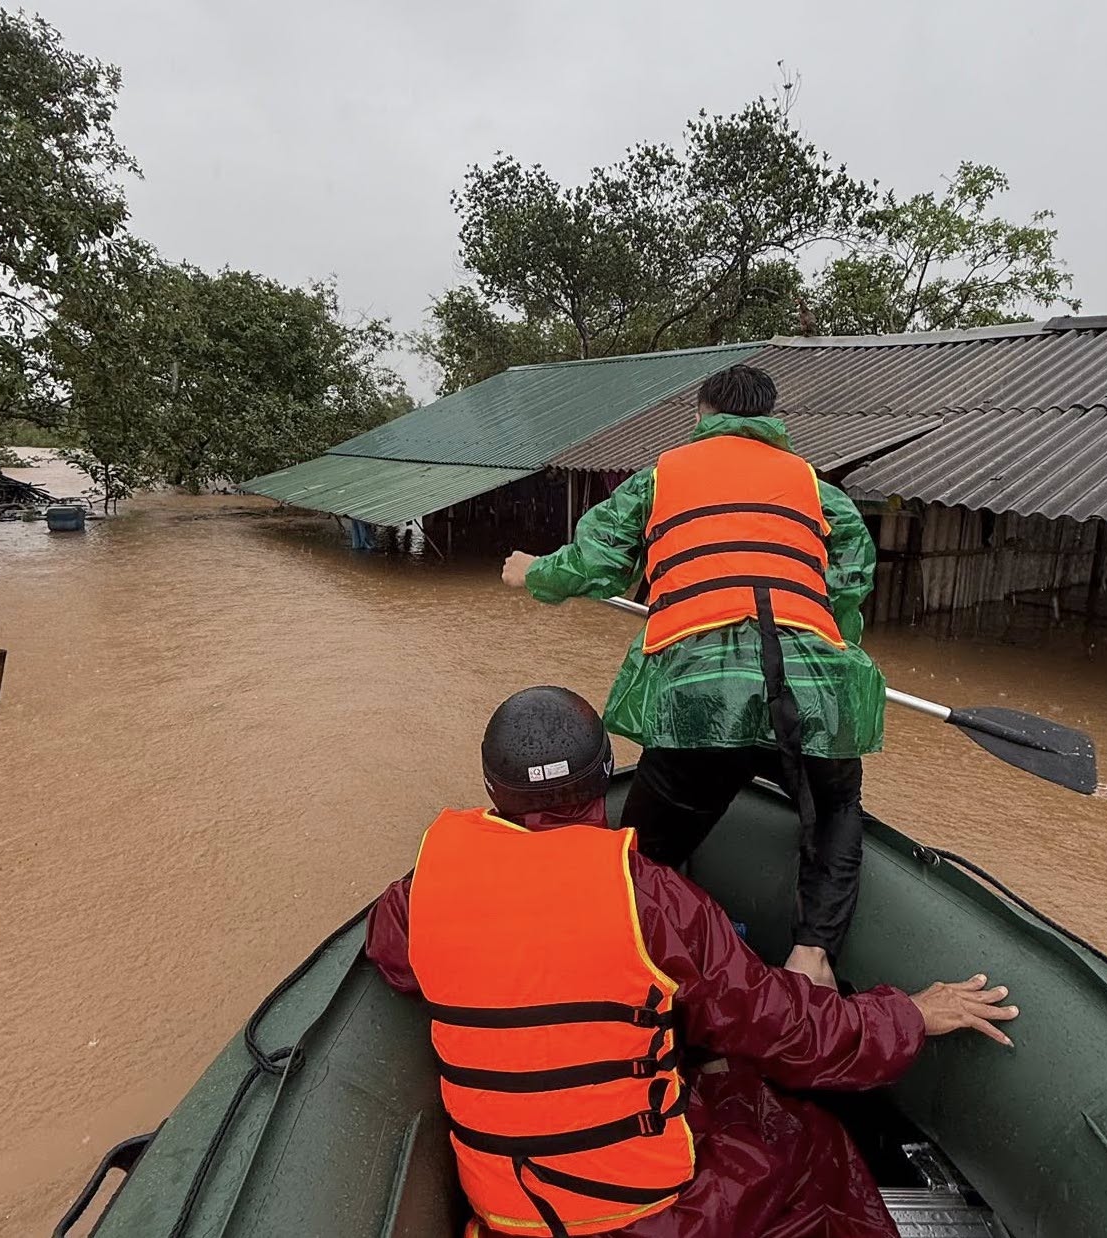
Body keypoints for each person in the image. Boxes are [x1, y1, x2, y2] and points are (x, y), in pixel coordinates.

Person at [367, 686, 1018, 1238]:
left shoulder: (419, 893)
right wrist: (904, 1015)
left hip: (507, 1214)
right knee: (809, 1143)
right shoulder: (652, 898)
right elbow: (787, 1033)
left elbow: (396, 957)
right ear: (603, 779)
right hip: (635, 1220)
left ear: (490, 790)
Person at [502, 365, 884, 988]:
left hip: (700, 702)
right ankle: (813, 954)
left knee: (646, 855)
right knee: (838, 804)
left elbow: (595, 563)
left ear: (702, 415)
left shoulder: (661, 476)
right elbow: (850, 581)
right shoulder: (818, 489)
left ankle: (649, 956)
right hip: (812, 693)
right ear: (772, 421)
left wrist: (533, 573)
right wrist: (822, 655)